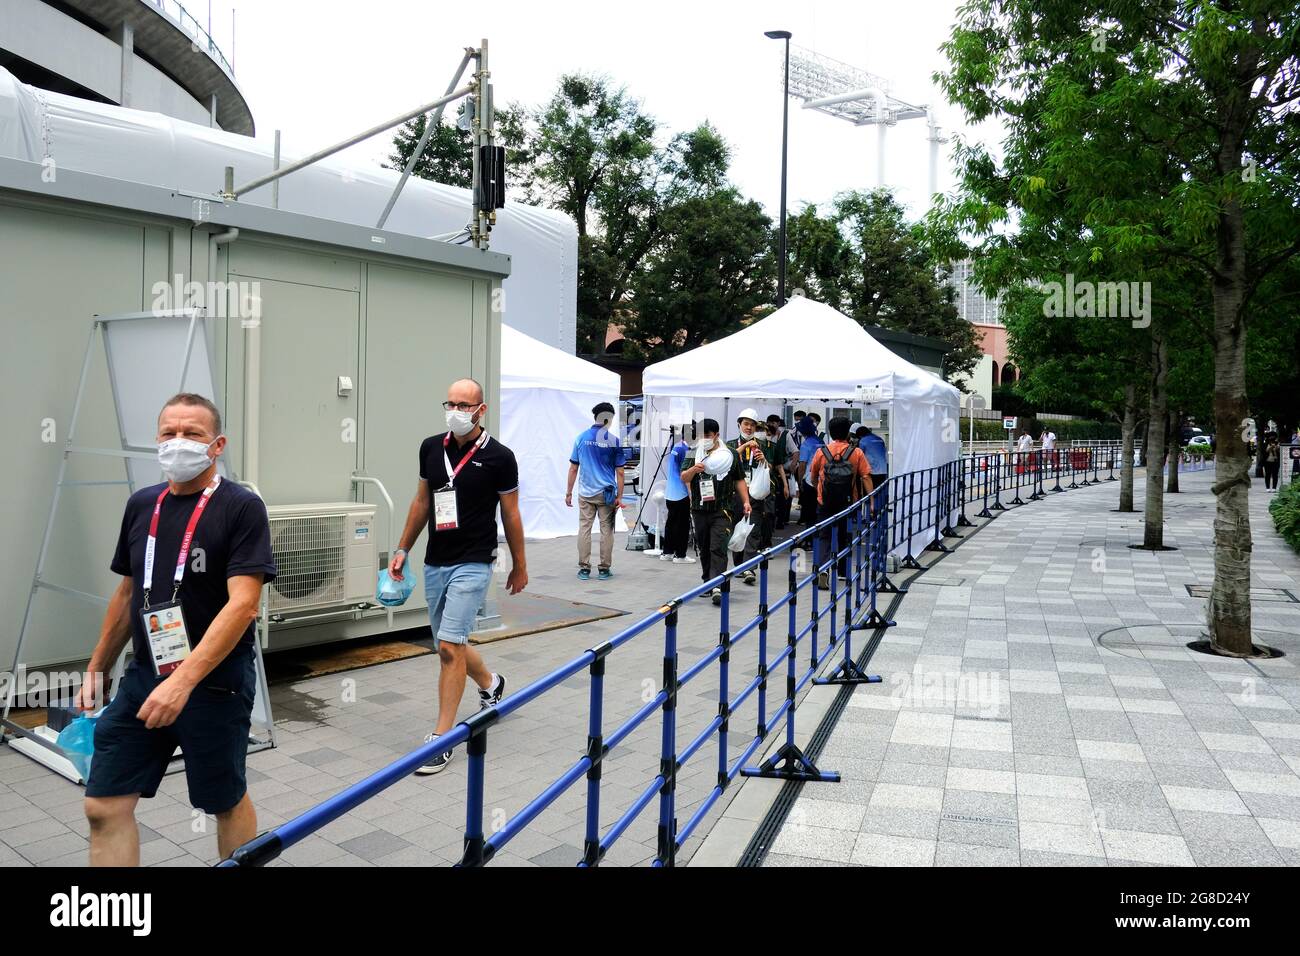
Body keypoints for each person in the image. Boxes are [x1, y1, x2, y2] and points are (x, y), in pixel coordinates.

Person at [79, 393, 276, 866]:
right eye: (169, 433)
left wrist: (183, 682)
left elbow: (244, 605)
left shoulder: (241, 507)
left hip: (213, 684)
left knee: (222, 801)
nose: (178, 442)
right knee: (102, 805)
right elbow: (128, 594)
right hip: (145, 676)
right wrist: (96, 667)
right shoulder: (142, 505)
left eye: (193, 434)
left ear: (217, 444)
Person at [390, 378, 527, 775]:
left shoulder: (500, 457)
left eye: (464, 404)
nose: (456, 410)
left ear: (481, 411)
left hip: (474, 560)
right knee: (446, 643)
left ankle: (443, 739)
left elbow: (511, 514)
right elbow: (421, 502)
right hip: (437, 560)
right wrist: (402, 549)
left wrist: (519, 563)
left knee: (449, 647)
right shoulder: (431, 448)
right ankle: (491, 683)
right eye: (450, 402)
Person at [681, 419, 751, 606]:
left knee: (717, 546)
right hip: (699, 508)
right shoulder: (693, 451)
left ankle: (718, 585)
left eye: (708, 436)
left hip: (723, 509)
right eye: (701, 436)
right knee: (704, 547)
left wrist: (746, 501)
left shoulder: (729, 454)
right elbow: (683, 476)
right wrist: (693, 470)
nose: (704, 439)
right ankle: (707, 582)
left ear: (716, 436)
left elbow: (739, 479)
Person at [808, 417, 874, 589]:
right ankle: (844, 572)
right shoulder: (856, 453)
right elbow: (866, 476)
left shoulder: (822, 452)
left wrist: (819, 490)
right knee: (845, 535)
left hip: (825, 501)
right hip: (848, 501)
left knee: (824, 536)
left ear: (830, 432)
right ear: (847, 433)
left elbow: (813, 476)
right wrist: (871, 501)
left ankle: (823, 568)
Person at [565, 402, 628, 580]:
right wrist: (620, 496)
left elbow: (573, 468)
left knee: (584, 528)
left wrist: (569, 492)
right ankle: (604, 569)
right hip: (607, 493)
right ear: (610, 419)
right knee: (606, 530)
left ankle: (584, 568)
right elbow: (621, 472)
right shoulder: (614, 441)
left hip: (586, 492)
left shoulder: (581, 438)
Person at [728, 408, 785, 585]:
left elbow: (770, 469)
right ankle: (739, 565)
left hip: (755, 493)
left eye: (752, 425)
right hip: (735, 493)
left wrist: (762, 460)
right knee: (737, 527)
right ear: (739, 425)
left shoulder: (762, 445)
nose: (749, 428)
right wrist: (744, 447)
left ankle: (749, 567)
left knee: (753, 529)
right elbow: (725, 461)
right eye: (746, 424)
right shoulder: (730, 444)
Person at [661, 426, 694, 563]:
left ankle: (667, 552)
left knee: (671, 523)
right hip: (681, 493)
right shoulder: (686, 450)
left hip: (670, 493)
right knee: (682, 525)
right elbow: (685, 475)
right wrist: (691, 495)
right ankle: (680, 555)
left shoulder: (676, 446)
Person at [768, 414, 799, 529]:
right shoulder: (766, 435)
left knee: (782, 499)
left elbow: (796, 452)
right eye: (770, 422)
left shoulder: (785, 435)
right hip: (769, 473)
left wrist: (792, 465)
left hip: (783, 472)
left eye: (774, 423)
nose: (772, 425)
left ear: (778, 424)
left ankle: (781, 521)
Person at [796, 416, 824, 529]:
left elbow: (802, 465)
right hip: (821, 480)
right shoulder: (820, 441)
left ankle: (809, 538)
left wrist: (799, 481)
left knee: (808, 512)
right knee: (818, 511)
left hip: (809, 481)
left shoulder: (806, 444)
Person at [855, 426, 889, 492]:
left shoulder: (862, 441)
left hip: (872, 472)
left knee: (871, 493)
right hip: (884, 470)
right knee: (881, 492)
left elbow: (860, 456)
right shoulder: (880, 439)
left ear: (860, 436)